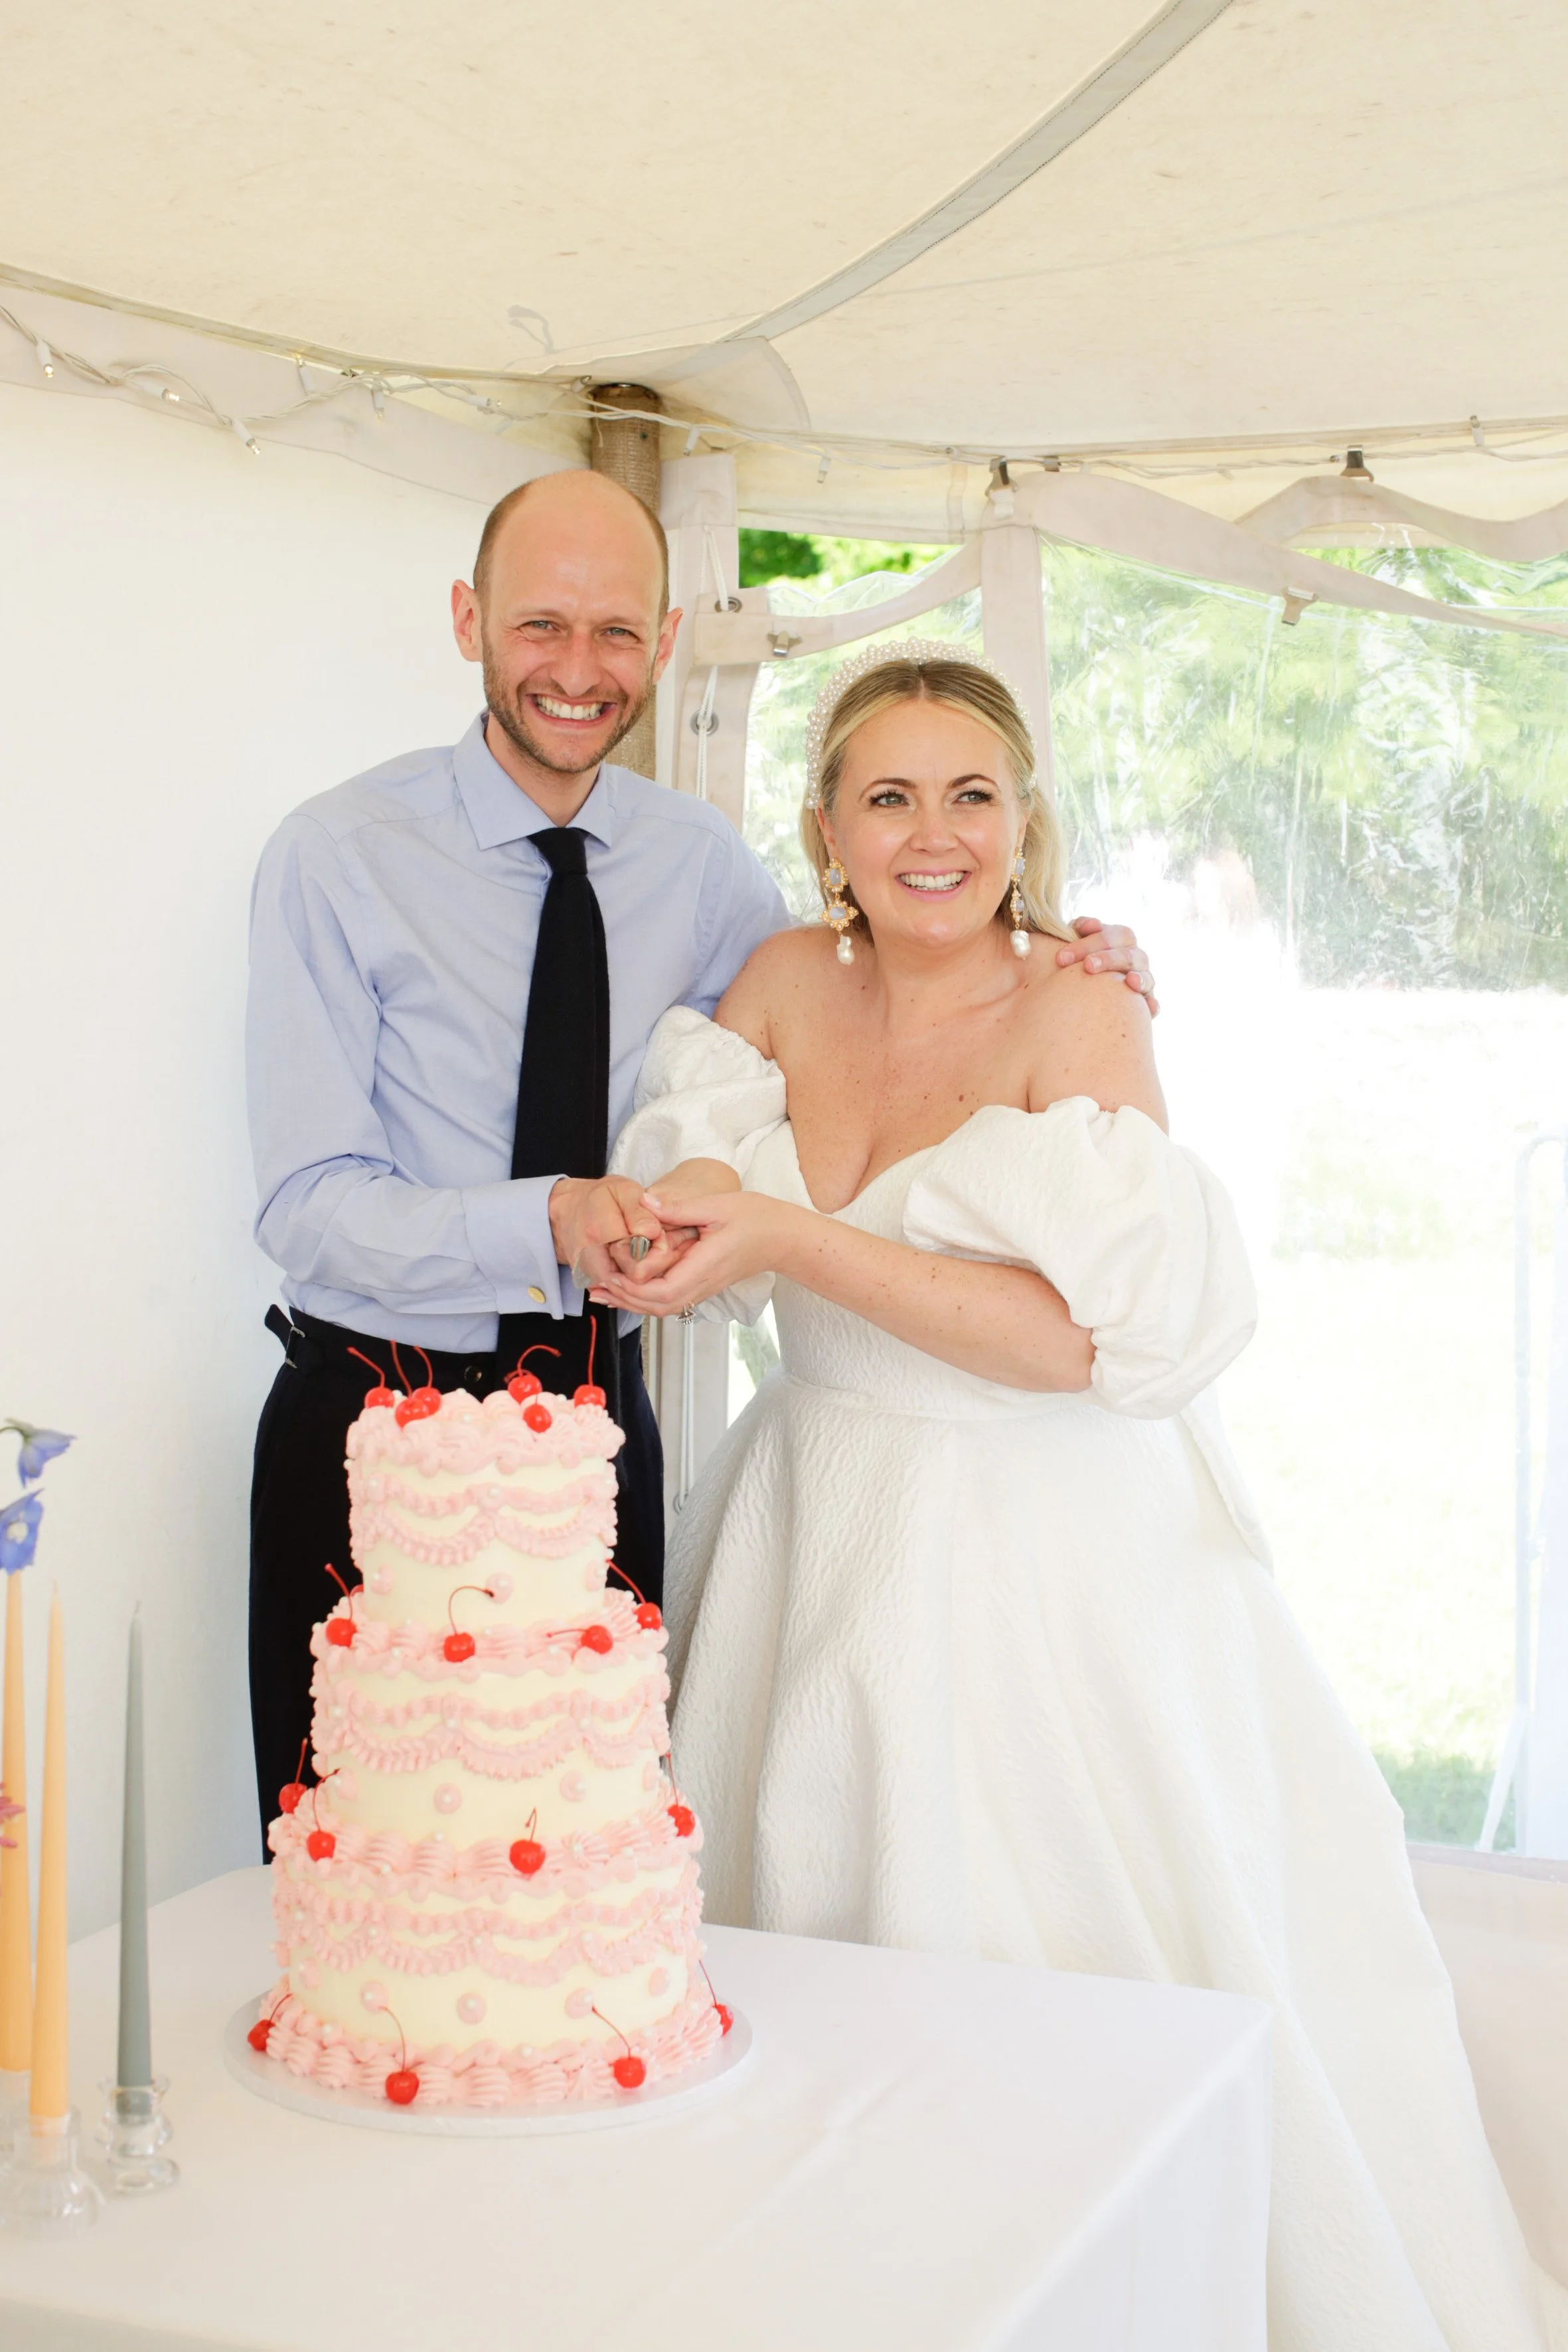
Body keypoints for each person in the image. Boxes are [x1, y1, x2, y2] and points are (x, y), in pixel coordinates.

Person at [590, 642, 1567, 2352]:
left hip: (1047, 1556)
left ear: (1026, 820)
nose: (932, 834)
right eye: (887, 796)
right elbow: (696, 1213)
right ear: (825, 831)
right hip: (814, 1519)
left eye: (970, 794)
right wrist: (666, 1229)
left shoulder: (1078, 1006)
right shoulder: (767, 989)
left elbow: (1071, 1347)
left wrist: (795, 1236)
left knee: (1064, 1967)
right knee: (807, 1947)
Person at [244, 482, 1155, 1842]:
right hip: (374, 1424)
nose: (575, 667)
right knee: (365, 1883)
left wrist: (1072, 955)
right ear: (466, 621)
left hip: (605, 1417)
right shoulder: (335, 856)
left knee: (600, 1882)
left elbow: (877, 985)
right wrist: (550, 1217)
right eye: (539, 624)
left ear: (664, 643)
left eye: (614, 630)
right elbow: (305, 1211)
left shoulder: (707, 872)